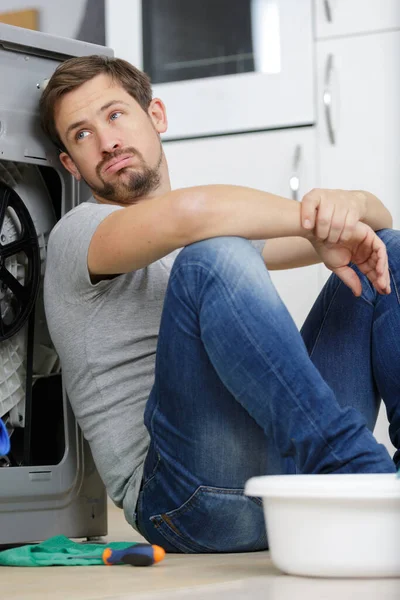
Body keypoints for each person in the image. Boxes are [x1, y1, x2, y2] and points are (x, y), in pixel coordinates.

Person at [39, 55, 399, 554]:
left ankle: (362, 477)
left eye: (115, 114)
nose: (107, 141)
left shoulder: (204, 234)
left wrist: (345, 206)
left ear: (156, 116)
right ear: (70, 164)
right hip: (189, 502)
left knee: (386, 255)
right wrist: (310, 218)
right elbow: (193, 215)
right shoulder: (76, 237)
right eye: (81, 134)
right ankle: (356, 468)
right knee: (213, 253)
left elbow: (378, 227)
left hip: (281, 483)